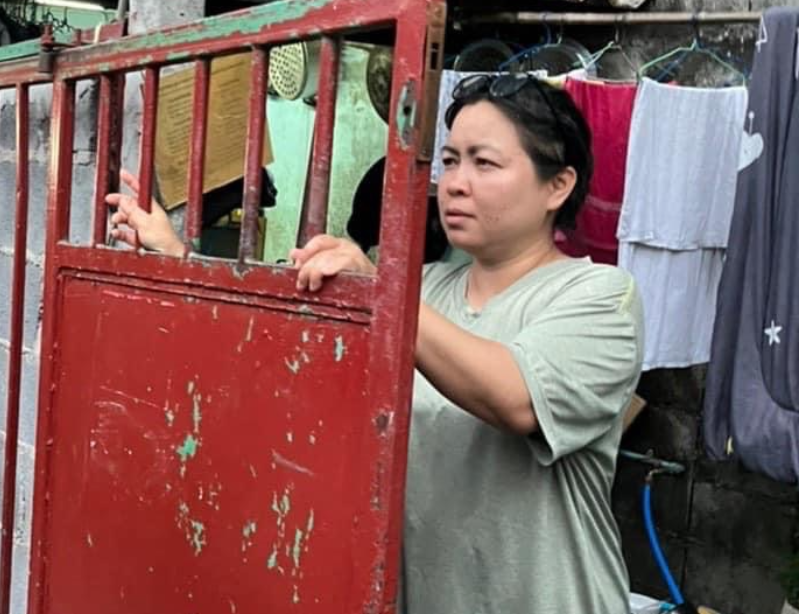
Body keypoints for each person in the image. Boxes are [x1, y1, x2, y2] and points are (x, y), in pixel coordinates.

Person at [106, 73, 643, 614]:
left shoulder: (599, 296)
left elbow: (516, 398)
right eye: (451, 160)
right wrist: (176, 259)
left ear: (558, 185)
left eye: (485, 163)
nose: (455, 183)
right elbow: (285, 363)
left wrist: (381, 292)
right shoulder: (427, 287)